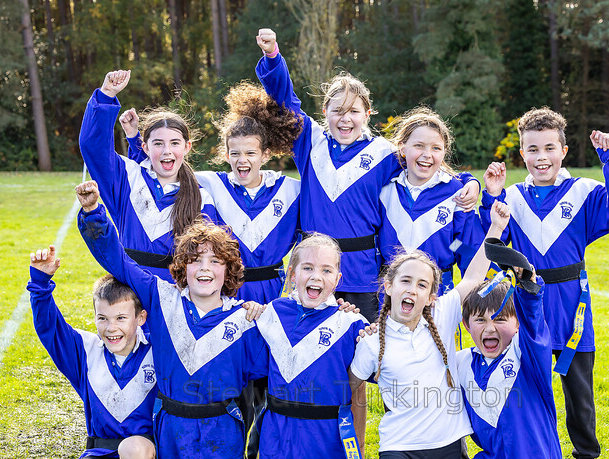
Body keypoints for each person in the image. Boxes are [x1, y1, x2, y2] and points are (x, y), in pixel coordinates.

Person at [75, 180, 267, 459]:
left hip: (221, 436)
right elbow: (115, 258)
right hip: (174, 435)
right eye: (195, 260)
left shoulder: (245, 320)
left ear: (229, 270)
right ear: (181, 268)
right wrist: (93, 214)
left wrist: (338, 309)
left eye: (215, 260)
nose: (205, 268)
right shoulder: (162, 299)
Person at [254, 28, 479, 323]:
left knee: (364, 348)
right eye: (337, 111)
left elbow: (426, 165)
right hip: (313, 269)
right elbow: (285, 100)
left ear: (368, 114)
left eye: (354, 112)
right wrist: (272, 56)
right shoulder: (310, 141)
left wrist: (470, 182)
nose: (345, 119)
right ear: (325, 111)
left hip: (361, 273)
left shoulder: (385, 153)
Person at [481, 108, 609, 459]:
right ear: (522, 154)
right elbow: (487, 241)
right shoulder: (512, 198)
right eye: (532, 149)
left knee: (579, 393)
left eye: (549, 148)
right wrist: (491, 196)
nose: (541, 157)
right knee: (526, 390)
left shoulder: (584, 192)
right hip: (525, 306)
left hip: (571, 310)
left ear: (564, 150)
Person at [347, 202, 511, 459]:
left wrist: (495, 229)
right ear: (388, 286)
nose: (413, 289)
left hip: (444, 447)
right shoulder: (371, 341)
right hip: (401, 446)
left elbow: (471, 277)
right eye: (405, 281)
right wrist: (355, 446)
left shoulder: (443, 314)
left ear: (430, 295)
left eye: (422, 285)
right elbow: (353, 387)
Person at [433, 250, 584, 459]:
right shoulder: (460, 364)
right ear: (466, 324)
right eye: (480, 319)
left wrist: (529, 285)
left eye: (500, 318)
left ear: (515, 325)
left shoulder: (528, 354)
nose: (490, 328)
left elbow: (534, 319)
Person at [27, 246, 176, 459]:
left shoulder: (158, 351)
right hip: (103, 454)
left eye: (122, 317)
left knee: (134, 449)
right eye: (103, 319)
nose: (112, 328)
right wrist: (40, 284)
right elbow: (49, 329)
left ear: (141, 318)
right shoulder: (86, 350)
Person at [124, 82, 303, 304]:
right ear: (226, 155)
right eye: (235, 153)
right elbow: (164, 167)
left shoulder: (291, 190)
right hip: (226, 289)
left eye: (250, 153)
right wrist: (134, 140)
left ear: (265, 154)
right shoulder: (210, 183)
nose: (242, 159)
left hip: (271, 288)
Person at [246, 234, 369, 459]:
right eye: (308, 268)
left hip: (326, 444)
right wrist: (251, 313)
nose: (317, 277)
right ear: (292, 274)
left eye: (327, 271)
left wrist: (358, 450)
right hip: (279, 442)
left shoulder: (350, 322)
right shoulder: (273, 314)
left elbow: (360, 394)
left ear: (338, 278)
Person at [79, 70, 219, 282]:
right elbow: (93, 146)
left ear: (187, 147)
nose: (166, 151)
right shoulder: (128, 177)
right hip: (128, 291)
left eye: (174, 143)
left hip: (176, 295)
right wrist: (106, 94)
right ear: (144, 146)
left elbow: (208, 258)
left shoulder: (200, 197)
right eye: (158, 143)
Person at [378, 107, 484, 294]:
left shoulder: (457, 193)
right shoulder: (385, 188)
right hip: (391, 291)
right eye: (419, 146)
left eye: (436, 148)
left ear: (444, 153)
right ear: (402, 148)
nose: (427, 154)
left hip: (438, 290)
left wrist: (449, 245)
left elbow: (464, 245)